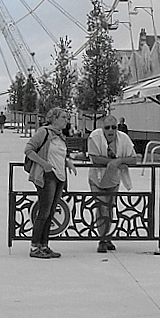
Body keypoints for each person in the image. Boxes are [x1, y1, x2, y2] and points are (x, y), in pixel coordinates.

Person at [24, 107, 77, 259]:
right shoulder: (44, 132)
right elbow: (28, 149)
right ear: (54, 119)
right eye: (63, 117)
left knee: (51, 212)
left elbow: (59, 155)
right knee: (44, 212)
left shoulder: (60, 136)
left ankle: (44, 245)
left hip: (59, 177)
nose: (66, 120)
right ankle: (35, 246)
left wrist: (68, 163)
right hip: (47, 176)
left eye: (67, 118)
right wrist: (44, 164)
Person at [87, 115, 140, 252]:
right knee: (101, 208)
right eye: (107, 127)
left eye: (114, 127)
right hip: (97, 179)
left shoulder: (123, 138)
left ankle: (107, 236)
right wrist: (111, 162)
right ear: (102, 128)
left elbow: (134, 159)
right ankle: (102, 239)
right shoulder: (94, 137)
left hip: (114, 179)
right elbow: (94, 158)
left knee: (110, 207)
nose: (111, 130)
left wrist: (118, 161)